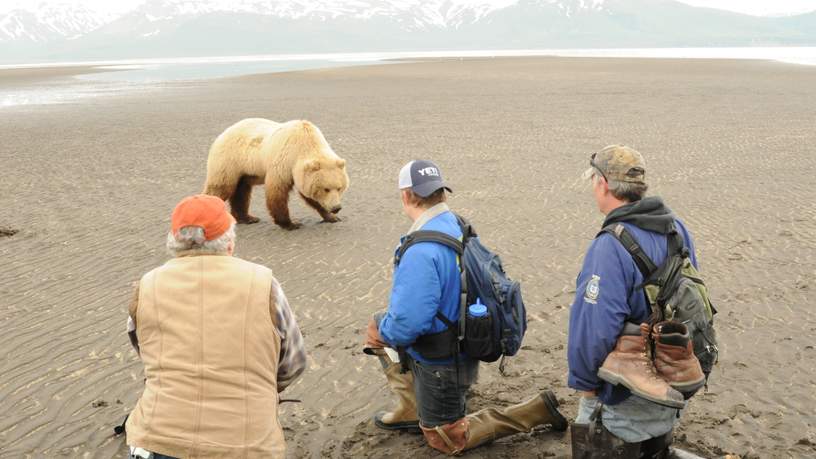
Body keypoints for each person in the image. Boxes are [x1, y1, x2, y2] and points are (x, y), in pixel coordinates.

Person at [364, 160, 567, 455]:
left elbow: (407, 325)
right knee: (381, 326)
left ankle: (536, 411)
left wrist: (382, 328)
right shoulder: (457, 224)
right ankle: (411, 410)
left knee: (447, 439)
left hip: (442, 361)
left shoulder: (422, 249)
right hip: (463, 342)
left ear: (405, 196)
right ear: (442, 194)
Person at [124, 194, 306, 459]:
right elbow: (294, 363)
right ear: (229, 241)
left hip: (160, 439)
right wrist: (258, 386)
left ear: (174, 241)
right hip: (247, 443)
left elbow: (143, 348)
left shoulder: (146, 286)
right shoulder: (265, 285)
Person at [568, 145, 704, 457]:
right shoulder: (677, 230)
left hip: (624, 389)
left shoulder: (610, 245)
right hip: (673, 373)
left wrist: (586, 385)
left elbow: (595, 328)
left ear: (603, 184)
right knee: (656, 448)